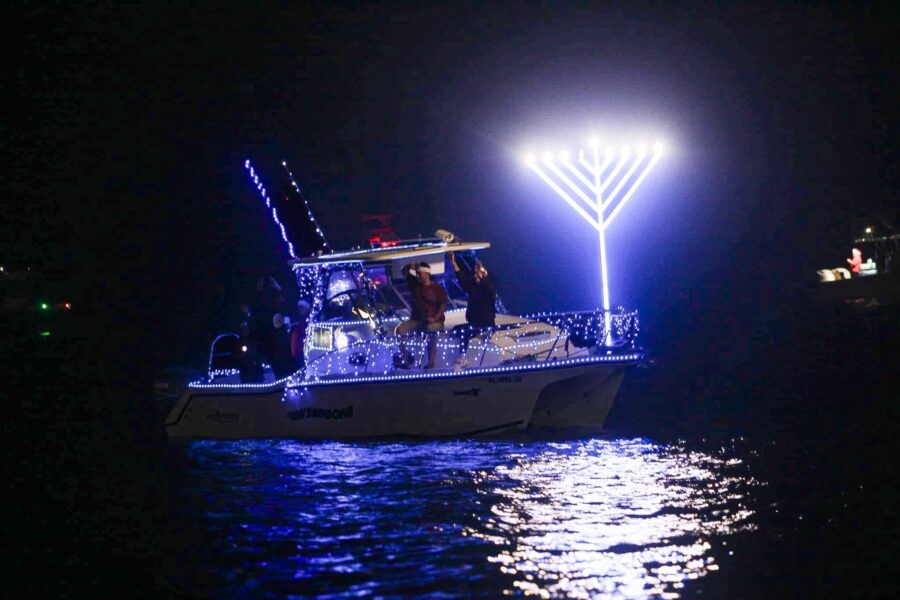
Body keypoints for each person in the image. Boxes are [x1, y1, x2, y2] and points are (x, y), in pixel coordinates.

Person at [395, 262, 448, 368]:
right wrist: (411, 266)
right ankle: (405, 360)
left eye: (420, 273)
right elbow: (404, 271)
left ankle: (431, 362)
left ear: (427, 274)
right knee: (400, 330)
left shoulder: (437, 288)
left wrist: (435, 318)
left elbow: (443, 304)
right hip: (418, 320)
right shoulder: (416, 286)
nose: (418, 275)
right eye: (417, 273)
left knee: (431, 330)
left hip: (435, 320)